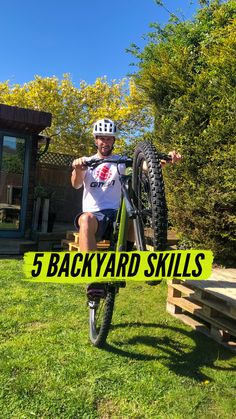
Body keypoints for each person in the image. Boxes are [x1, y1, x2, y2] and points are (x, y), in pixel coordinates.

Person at [71, 118, 181, 296]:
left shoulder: (121, 161)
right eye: (101, 138)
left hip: (116, 215)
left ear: (114, 140)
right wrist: (77, 169)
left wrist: (166, 159)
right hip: (95, 217)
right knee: (85, 218)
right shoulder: (86, 162)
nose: (104, 142)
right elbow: (75, 184)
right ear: (95, 140)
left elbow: (146, 166)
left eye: (108, 138)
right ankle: (93, 279)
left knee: (132, 214)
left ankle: (122, 263)